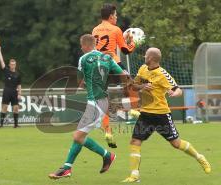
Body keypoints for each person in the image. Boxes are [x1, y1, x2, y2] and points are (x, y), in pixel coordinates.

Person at [122, 47, 211, 183]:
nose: (144, 57)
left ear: (151, 58)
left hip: (161, 115)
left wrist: (174, 93)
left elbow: (178, 90)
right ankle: (134, 175)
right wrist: (142, 87)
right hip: (145, 113)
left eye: (146, 55)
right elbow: (134, 86)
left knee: (176, 143)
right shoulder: (142, 69)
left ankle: (200, 157)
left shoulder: (163, 74)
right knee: (135, 141)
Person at [49, 34, 129, 179]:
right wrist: (130, 87)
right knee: (80, 135)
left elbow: (79, 82)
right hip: (102, 101)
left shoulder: (83, 59)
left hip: (95, 103)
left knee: (78, 136)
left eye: (81, 46)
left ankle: (107, 155)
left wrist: (87, 83)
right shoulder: (107, 58)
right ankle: (67, 167)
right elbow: (123, 74)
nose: (81, 48)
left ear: (86, 46)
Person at [92, 3, 136, 148]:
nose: (117, 18)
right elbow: (126, 51)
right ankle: (133, 108)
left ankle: (108, 132)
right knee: (129, 81)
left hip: (98, 66)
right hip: (113, 63)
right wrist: (133, 42)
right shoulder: (116, 29)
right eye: (116, 15)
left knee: (103, 100)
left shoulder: (95, 30)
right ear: (111, 16)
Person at [0, 45, 21, 128]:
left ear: (15, 65)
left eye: (14, 64)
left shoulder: (18, 74)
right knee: (4, 107)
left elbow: (19, 85)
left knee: (16, 108)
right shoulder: (6, 71)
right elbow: (1, 61)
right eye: (11, 64)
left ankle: (16, 125)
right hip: (7, 91)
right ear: (9, 65)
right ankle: (1, 124)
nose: (13, 65)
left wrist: (19, 94)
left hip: (15, 92)